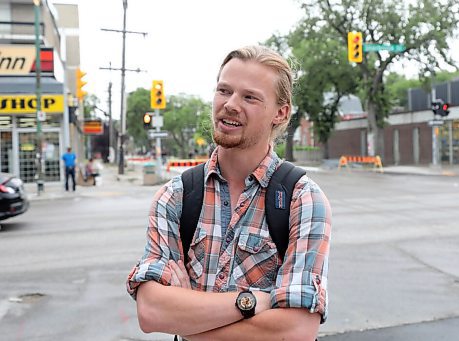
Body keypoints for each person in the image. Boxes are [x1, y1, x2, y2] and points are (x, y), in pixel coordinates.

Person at [127, 46, 332, 340]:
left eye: (249, 97)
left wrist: (189, 324)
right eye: (224, 90)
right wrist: (250, 302)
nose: (231, 104)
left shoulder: (302, 199)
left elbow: (297, 330)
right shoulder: (176, 197)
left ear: (281, 112)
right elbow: (151, 312)